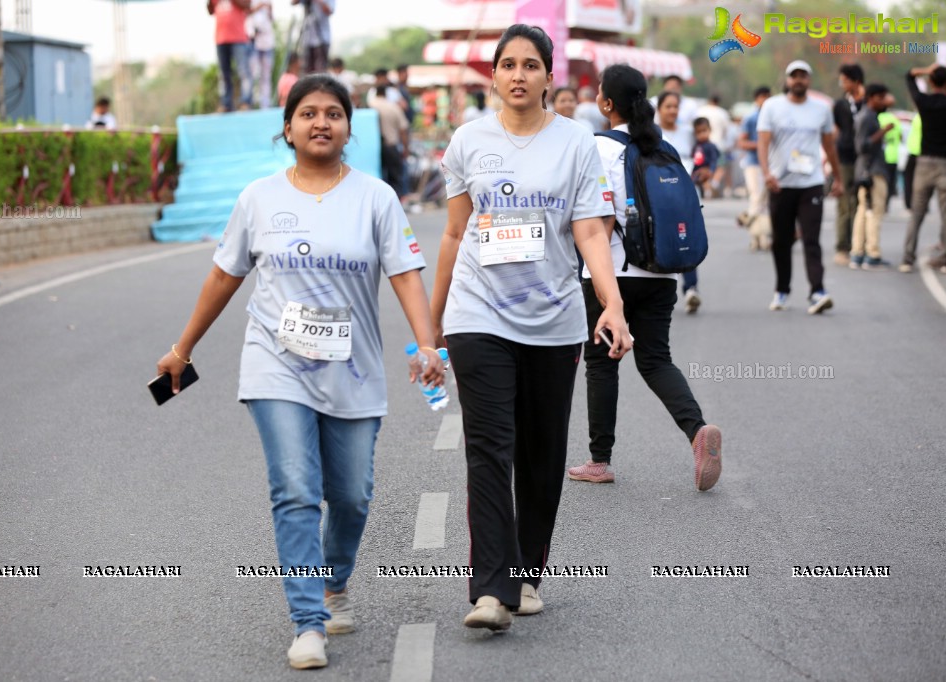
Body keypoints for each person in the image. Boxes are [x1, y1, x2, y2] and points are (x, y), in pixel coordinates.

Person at [155, 74, 441, 671]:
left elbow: (406, 275)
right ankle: (308, 621)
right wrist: (181, 350)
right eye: (307, 113)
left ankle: (334, 584)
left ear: (348, 128)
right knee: (295, 490)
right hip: (275, 364)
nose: (320, 122)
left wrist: (427, 345)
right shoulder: (259, 198)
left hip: (353, 367)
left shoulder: (376, 198)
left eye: (333, 113)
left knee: (352, 495)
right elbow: (224, 277)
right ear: (287, 128)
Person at [431, 24, 632, 632]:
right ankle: (490, 590)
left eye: (531, 65)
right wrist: (434, 321)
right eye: (508, 64)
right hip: (478, 313)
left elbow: (591, 230)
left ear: (550, 76)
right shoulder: (468, 141)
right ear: (493, 75)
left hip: (552, 321)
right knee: (489, 448)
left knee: (541, 457)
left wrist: (612, 305)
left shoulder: (576, 143)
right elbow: (454, 233)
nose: (519, 75)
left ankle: (526, 573)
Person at [568, 64, 722, 490]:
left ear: (605, 103)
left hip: (609, 273)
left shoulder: (595, 148)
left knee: (602, 363)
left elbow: (590, 220)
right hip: (660, 272)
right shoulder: (663, 147)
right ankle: (696, 431)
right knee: (655, 360)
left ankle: (600, 460)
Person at [757, 60, 842, 314]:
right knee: (781, 241)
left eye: (803, 76)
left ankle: (818, 291)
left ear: (809, 80)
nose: (798, 80)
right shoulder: (772, 107)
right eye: (794, 76)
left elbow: (829, 145)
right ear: (787, 80)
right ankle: (782, 290)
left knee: (811, 240)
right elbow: (763, 143)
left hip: (811, 183)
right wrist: (766, 173)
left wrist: (837, 177)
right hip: (781, 184)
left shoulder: (821, 109)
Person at [899, 64, 946, 274]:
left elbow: (908, 76)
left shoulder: (924, 102)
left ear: (930, 82)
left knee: (916, 213)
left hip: (924, 163)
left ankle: (907, 258)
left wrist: (926, 70)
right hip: (945, 163)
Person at [657, 92, 701, 312]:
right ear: (659, 109)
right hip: (660, 197)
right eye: (668, 106)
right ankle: (663, 292)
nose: (673, 111)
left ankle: (691, 289)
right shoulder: (653, 133)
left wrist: (705, 171)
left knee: (687, 241)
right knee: (665, 241)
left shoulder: (688, 133)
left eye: (676, 106)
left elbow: (702, 155)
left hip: (686, 195)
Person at [849, 83, 894, 271]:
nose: (885, 101)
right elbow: (861, 146)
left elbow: (890, 103)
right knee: (875, 211)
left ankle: (858, 253)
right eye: (881, 97)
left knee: (863, 212)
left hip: (866, 170)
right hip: (872, 170)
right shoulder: (867, 117)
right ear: (872, 97)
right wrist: (882, 132)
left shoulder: (869, 115)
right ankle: (872, 254)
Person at [832, 63, 865, 265]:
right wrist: (830, 159)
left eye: (845, 80)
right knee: (844, 203)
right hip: (844, 157)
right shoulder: (839, 104)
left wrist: (863, 98)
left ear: (856, 81)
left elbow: (889, 100)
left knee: (861, 204)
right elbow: (835, 131)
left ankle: (859, 245)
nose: (842, 83)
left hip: (864, 158)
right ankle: (842, 247)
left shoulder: (869, 101)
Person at [736, 86, 773, 251]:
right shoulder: (751, 118)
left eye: (767, 96)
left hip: (770, 163)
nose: (764, 100)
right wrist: (759, 145)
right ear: (756, 99)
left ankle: (763, 236)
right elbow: (741, 142)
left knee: (765, 202)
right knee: (756, 198)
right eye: (762, 97)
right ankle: (755, 237)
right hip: (753, 163)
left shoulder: (773, 116)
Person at [208, 0, 253, 112]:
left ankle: (246, 102)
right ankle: (226, 104)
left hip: (238, 38)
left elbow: (247, 5)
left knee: (243, 72)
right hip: (221, 39)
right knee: (224, 74)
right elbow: (210, 11)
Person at [370, 84, 409, 198]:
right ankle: (395, 201)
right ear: (386, 94)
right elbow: (403, 129)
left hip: (373, 149)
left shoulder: (369, 105)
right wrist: (405, 148)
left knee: (377, 177)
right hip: (391, 146)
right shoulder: (393, 107)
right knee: (395, 178)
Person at [696, 94, 732, 197]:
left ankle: (707, 189)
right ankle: (714, 184)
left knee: (704, 167)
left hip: (702, 144)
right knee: (720, 167)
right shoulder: (722, 113)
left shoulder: (701, 110)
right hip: (718, 143)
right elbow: (726, 130)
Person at [293, 0, 333, 74]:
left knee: (320, 69)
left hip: (322, 38)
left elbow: (329, 11)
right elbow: (293, 2)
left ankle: (319, 85)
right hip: (307, 38)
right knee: (306, 69)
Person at [247, 1, 275, 108]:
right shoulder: (251, 2)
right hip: (253, 42)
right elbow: (247, 12)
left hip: (267, 43)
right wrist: (260, 6)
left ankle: (265, 104)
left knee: (266, 75)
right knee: (254, 74)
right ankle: (253, 102)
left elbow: (272, 19)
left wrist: (269, 8)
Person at [877, 94, 901, 212]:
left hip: (882, 157)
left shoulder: (878, 117)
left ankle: (880, 204)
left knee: (881, 183)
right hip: (893, 156)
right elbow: (901, 137)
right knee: (890, 184)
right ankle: (886, 205)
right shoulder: (894, 119)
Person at [690, 117, 720, 199]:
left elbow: (714, 159)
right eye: (698, 132)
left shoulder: (711, 146)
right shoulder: (696, 145)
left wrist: (711, 170)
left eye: (704, 131)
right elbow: (692, 157)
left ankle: (708, 193)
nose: (702, 134)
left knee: (705, 182)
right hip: (696, 169)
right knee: (693, 182)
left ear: (709, 130)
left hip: (706, 168)